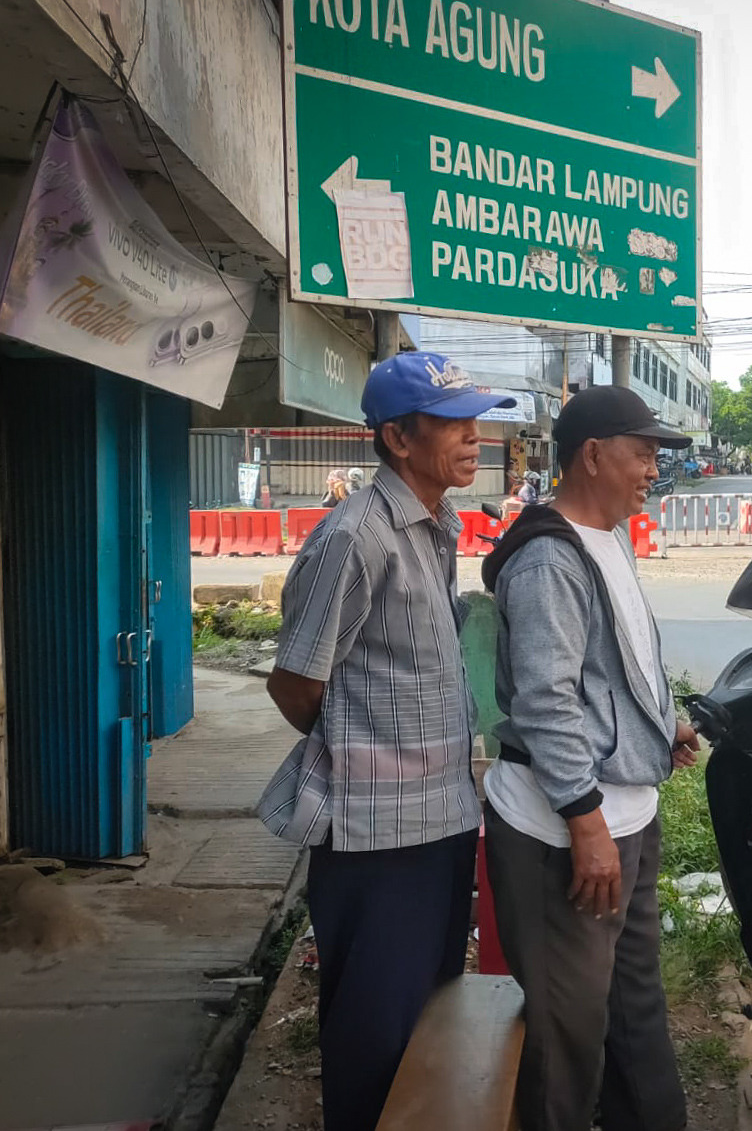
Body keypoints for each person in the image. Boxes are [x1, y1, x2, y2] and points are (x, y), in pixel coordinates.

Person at [256, 354, 513, 1131]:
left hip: (438, 820)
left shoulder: (435, 526)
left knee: (425, 1022)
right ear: (399, 438)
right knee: (374, 1033)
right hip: (374, 837)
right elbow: (296, 682)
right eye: (455, 423)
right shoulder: (356, 537)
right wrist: (353, 744)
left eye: (476, 420)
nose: (476, 436)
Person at [481, 385, 699, 1131]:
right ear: (593, 455)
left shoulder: (611, 539)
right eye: (642, 453)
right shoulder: (548, 558)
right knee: (566, 1034)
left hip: (626, 816)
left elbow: (615, 669)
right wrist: (585, 821)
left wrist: (659, 723)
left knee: (635, 1010)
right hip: (562, 833)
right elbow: (546, 701)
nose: (651, 470)